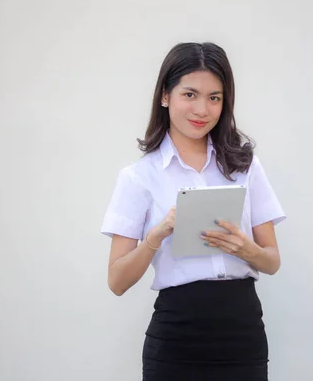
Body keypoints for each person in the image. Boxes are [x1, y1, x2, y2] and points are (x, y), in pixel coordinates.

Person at [100, 42, 286, 381]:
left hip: (241, 335)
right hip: (176, 337)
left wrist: (248, 251)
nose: (202, 109)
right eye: (190, 94)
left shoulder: (246, 167)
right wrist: (155, 236)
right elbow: (117, 281)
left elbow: (273, 261)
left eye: (214, 97)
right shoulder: (138, 177)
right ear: (165, 96)